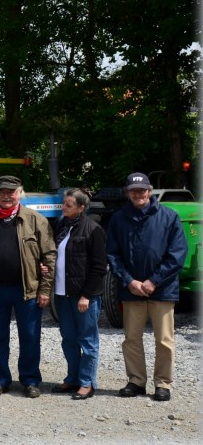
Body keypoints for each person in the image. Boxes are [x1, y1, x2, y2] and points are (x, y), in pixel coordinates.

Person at [106, 172, 188, 402]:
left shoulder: (169, 217)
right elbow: (112, 254)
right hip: (131, 289)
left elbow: (177, 254)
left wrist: (154, 280)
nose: (138, 194)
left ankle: (163, 383)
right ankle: (136, 381)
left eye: (142, 190)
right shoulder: (118, 219)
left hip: (162, 288)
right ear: (128, 193)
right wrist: (129, 280)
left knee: (164, 339)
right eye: (133, 191)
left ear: (150, 192)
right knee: (131, 338)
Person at [0, 175, 56, 398]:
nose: (6, 196)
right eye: (2, 192)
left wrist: (45, 290)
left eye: (11, 192)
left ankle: (30, 380)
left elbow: (49, 257)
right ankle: (0, 379)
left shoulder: (35, 220)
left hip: (26, 290)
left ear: (20, 193)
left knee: (29, 336)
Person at [51, 189, 106, 400]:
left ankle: (87, 382)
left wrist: (86, 295)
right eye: (64, 204)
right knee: (68, 339)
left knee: (88, 340)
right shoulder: (60, 225)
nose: (63, 207)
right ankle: (72, 378)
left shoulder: (93, 229)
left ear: (82, 208)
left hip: (84, 296)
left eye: (68, 205)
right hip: (62, 294)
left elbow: (99, 267)